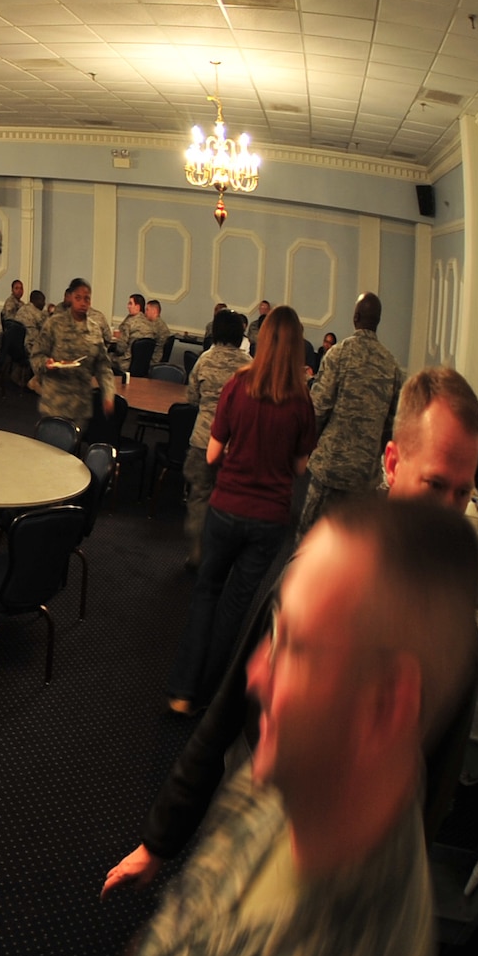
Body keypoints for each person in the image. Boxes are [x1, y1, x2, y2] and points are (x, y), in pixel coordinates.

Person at [102, 495, 475, 956]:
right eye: (273, 632)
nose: (256, 672)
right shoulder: (295, 768)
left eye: (295, 647)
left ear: (384, 706)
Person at [106, 366, 478, 903]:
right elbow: (229, 705)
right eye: (436, 486)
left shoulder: (456, 637)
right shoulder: (320, 573)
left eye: (463, 493)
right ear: (394, 462)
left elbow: (436, 790)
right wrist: (160, 841)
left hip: (353, 882)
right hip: (255, 838)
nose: (449, 511)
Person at [165, 306, 315, 715]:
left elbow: (213, 452)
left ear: (262, 340)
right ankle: (208, 697)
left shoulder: (238, 385)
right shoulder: (302, 401)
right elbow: (301, 467)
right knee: (235, 610)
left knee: (205, 596)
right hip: (269, 521)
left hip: (227, 508)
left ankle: (181, 691)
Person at [299, 292, 403, 532]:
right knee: (350, 545)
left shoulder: (338, 354)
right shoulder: (392, 365)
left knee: (309, 540)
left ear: (355, 317)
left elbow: (318, 408)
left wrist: (308, 446)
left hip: (331, 467)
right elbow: (390, 425)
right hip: (365, 477)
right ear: (377, 321)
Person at [180, 310, 249, 567]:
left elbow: (192, 398)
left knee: (199, 496)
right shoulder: (249, 364)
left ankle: (197, 551)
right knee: (229, 500)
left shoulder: (204, 360)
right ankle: (222, 554)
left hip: (202, 440)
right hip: (235, 446)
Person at [31, 278, 115, 429]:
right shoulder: (55, 324)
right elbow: (37, 355)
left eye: (87, 299)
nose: (83, 303)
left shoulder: (95, 330)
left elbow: (103, 367)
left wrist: (108, 394)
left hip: (80, 405)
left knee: (72, 450)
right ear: (70, 298)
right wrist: (46, 363)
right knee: (50, 448)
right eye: (78, 298)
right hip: (55, 401)